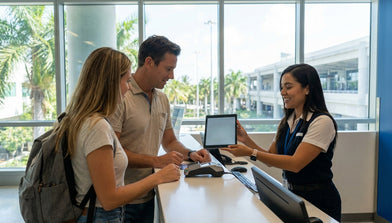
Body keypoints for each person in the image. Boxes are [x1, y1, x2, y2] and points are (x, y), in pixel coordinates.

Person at [53, 47, 180, 223]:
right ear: (110, 83)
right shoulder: (97, 127)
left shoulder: (80, 119)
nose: (129, 88)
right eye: (127, 80)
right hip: (101, 216)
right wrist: (159, 176)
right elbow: (109, 199)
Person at [108, 35, 211, 223]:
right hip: (122, 199)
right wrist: (157, 160)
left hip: (149, 193)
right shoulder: (121, 95)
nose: (171, 76)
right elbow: (113, 154)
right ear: (149, 62)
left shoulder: (162, 99)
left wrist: (191, 154)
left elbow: (169, 141)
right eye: (168, 69)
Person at [221, 63, 341, 221]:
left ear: (307, 88)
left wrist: (250, 153)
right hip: (292, 195)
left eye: (288, 87)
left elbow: (295, 164)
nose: (283, 92)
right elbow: (271, 157)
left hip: (318, 199)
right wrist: (246, 140)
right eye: (282, 87)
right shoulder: (288, 120)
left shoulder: (321, 121)